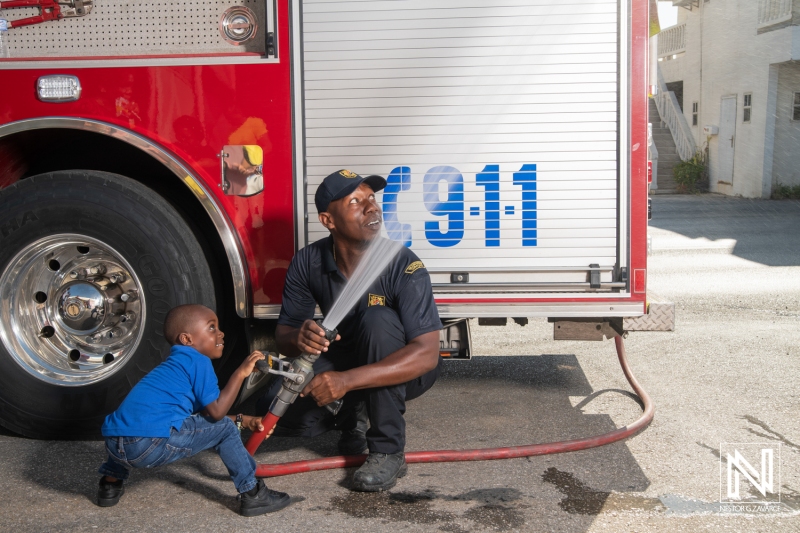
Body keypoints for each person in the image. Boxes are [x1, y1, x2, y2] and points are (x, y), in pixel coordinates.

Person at [256, 169, 443, 492]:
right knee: (281, 413)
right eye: (356, 201)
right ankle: (352, 416)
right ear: (328, 220)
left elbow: (427, 354)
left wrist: (345, 381)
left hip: (405, 367)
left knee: (377, 320)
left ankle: (387, 450)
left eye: (372, 198)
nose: (372, 208)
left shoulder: (402, 264)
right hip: (348, 354)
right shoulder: (308, 262)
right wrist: (299, 336)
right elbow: (284, 336)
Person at [96, 304, 292, 517]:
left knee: (131, 423)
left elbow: (206, 417)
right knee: (225, 427)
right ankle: (253, 494)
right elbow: (217, 416)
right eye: (211, 328)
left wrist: (244, 420)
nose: (221, 333)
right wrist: (240, 374)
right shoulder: (198, 361)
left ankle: (110, 484)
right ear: (187, 340)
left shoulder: (174, 367)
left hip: (115, 443)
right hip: (148, 444)